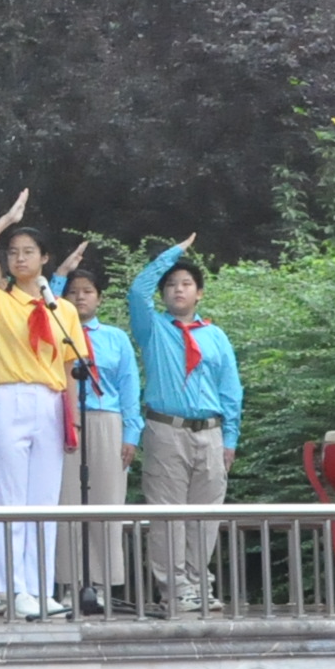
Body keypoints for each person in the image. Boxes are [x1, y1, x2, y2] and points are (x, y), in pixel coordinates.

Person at [0, 192, 90, 620]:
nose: (19, 259)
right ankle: (13, 588)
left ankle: (40, 587)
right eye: (13, 253)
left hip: (50, 402)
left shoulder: (61, 308)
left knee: (44, 499)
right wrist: (9, 218)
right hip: (9, 397)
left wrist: (73, 420)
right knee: (10, 497)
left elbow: (71, 365)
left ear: (45, 259)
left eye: (28, 252)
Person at [129, 235, 244, 614]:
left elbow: (231, 391)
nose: (178, 289)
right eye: (171, 285)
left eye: (186, 284)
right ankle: (175, 589)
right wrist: (172, 254)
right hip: (167, 429)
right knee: (168, 514)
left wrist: (230, 438)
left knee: (205, 514)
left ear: (199, 294)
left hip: (210, 432)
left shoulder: (216, 336)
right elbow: (137, 290)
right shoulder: (154, 329)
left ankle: (199, 582)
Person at [58, 266, 141, 615]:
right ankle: (68, 585)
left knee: (107, 502)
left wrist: (131, 432)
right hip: (67, 420)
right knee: (67, 503)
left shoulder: (115, 337)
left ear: (99, 298)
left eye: (88, 291)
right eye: (74, 291)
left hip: (107, 419)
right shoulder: (58, 334)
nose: (80, 297)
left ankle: (103, 585)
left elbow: (129, 386)